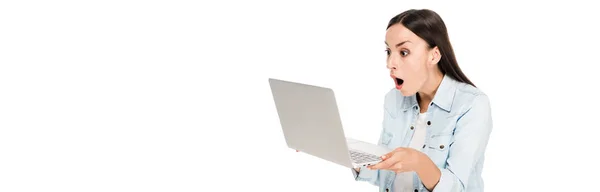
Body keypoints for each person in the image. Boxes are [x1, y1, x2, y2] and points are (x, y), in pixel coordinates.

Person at [349, 9, 494, 192]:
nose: (389, 63)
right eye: (388, 51)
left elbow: (458, 187)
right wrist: (345, 153)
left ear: (433, 55)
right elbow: (384, 172)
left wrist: (419, 162)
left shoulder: (472, 105)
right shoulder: (393, 99)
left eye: (403, 52)